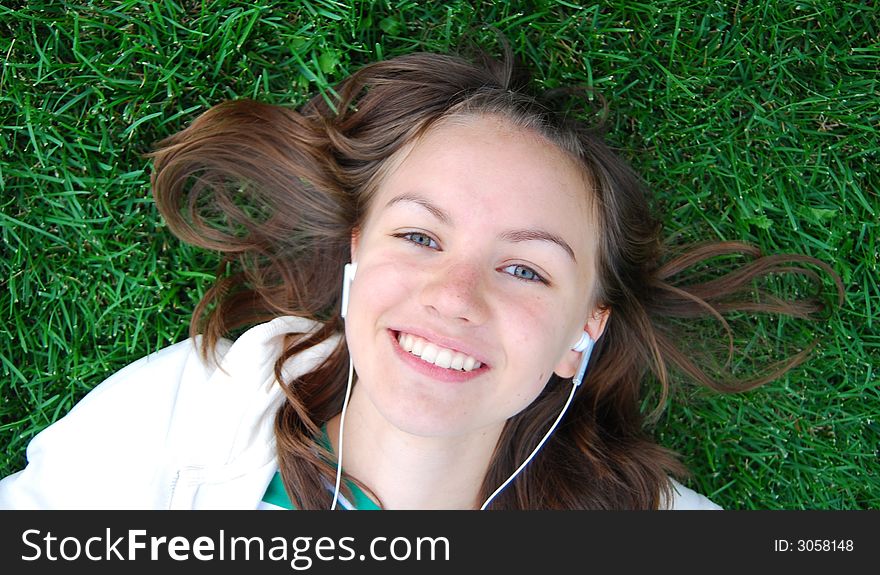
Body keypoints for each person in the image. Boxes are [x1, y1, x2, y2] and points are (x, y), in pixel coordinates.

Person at [0, 43, 841, 510]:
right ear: (359, 256)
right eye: (420, 236)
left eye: (524, 268)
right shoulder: (202, 403)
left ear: (582, 333)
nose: (454, 296)